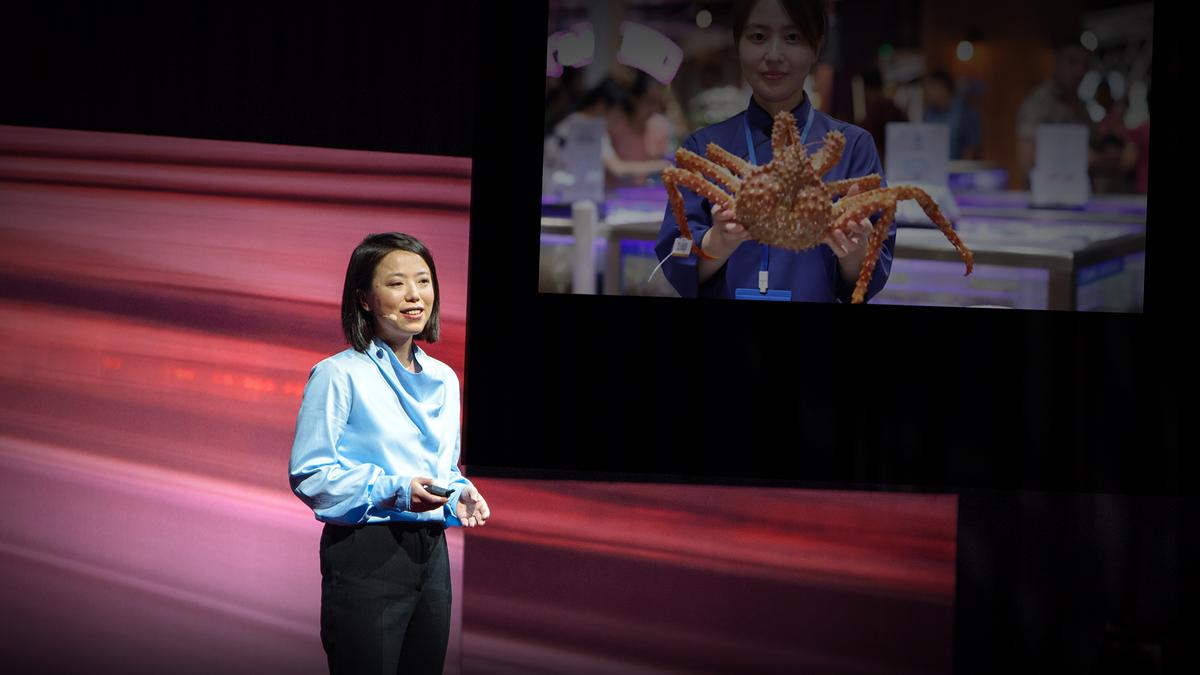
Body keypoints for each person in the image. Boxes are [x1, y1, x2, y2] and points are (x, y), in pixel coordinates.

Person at [289, 232, 490, 674]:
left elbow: (441, 467)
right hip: (368, 553)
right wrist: (395, 491)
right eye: (397, 284)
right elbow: (310, 474)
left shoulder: (444, 377)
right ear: (363, 298)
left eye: (423, 281)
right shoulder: (339, 374)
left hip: (431, 553)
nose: (415, 296)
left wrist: (458, 493)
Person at [654, 0, 891, 303]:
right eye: (758, 37)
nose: (774, 55)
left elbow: (873, 271)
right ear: (738, 43)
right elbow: (675, 258)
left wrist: (855, 253)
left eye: (792, 37)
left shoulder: (852, 146)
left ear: (816, 46)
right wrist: (717, 241)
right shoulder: (704, 148)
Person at [1015, 38, 1093, 187]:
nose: (1079, 71)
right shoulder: (1040, 103)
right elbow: (1028, 158)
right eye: (1072, 62)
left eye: (1085, 65)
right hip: (1046, 198)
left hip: (1078, 195)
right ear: (1057, 61)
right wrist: (1086, 158)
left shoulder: (1080, 106)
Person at [922, 68, 983, 161]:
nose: (927, 93)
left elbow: (972, 147)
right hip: (934, 168)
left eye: (931, 87)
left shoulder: (965, 112)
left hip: (958, 169)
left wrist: (961, 171)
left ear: (943, 87)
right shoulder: (929, 113)